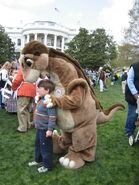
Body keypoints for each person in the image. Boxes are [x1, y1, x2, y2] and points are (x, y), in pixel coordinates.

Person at [28, 79, 57, 173]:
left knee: (46, 148)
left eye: (39, 88)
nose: (37, 90)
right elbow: (38, 113)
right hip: (39, 128)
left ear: (47, 90)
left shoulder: (49, 102)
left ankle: (47, 166)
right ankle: (38, 160)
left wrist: (50, 129)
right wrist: (34, 122)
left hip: (45, 130)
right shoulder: (41, 100)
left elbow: (52, 117)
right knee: (38, 145)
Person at [11, 68, 36, 132]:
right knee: (27, 109)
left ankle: (22, 127)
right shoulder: (33, 69)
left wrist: (13, 88)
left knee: (21, 109)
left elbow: (17, 80)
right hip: (32, 89)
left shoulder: (23, 68)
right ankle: (27, 125)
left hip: (24, 90)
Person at [125, 61, 139, 145]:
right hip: (133, 96)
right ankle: (129, 132)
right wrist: (135, 94)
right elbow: (129, 81)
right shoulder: (134, 66)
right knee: (133, 115)